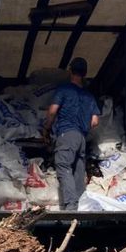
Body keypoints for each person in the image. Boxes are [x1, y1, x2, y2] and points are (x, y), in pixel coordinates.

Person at [43, 57, 100, 211]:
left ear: (70, 71)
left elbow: (53, 111)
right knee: (78, 171)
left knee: (63, 166)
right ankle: (81, 206)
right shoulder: (89, 96)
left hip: (67, 134)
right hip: (81, 138)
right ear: (85, 73)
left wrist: (47, 128)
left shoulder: (64, 89)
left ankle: (71, 205)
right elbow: (95, 121)